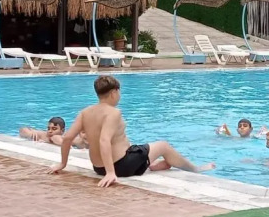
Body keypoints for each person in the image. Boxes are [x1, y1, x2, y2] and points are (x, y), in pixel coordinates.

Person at [48, 75, 215, 187]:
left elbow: (68, 138)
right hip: (120, 167)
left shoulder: (85, 112)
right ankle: (194, 169)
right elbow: (104, 140)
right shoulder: (113, 112)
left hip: (98, 168)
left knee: (137, 148)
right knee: (163, 146)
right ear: (113, 93)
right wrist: (111, 173)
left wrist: (63, 164)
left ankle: (154, 165)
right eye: (119, 92)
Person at [20, 117, 88, 149]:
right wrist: (30, 133)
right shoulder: (43, 135)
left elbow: (81, 142)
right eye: (48, 128)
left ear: (62, 131)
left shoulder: (66, 137)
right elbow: (22, 130)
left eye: (54, 129)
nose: (50, 131)